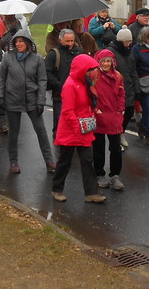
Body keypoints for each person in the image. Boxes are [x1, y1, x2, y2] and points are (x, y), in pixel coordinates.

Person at [0, 29, 55, 175]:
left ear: (28, 43)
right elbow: (1, 77)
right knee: (13, 133)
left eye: (21, 41)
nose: (19, 44)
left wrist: (41, 101)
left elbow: (42, 80)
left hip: (32, 99)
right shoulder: (8, 57)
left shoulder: (37, 59)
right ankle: (14, 162)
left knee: (41, 131)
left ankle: (49, 161)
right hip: (12, 99)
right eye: (16, 41)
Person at [51, 53, 105, 204]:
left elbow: (86, 104)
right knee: (64, 161)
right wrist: (78, 127)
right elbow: (67, 112)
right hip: (71, 130)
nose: (92, 73)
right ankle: (57, 189)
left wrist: (92, 113)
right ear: (82, 69)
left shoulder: (85, 83)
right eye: (90, 70)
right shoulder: (69, 85)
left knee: (88, 160)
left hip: (83, 129)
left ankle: (92, 193)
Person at [92, 48, 126, 190]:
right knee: (98, 147)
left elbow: (121, 94)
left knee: (115, 148)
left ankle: (115, 175)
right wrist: (96, 110)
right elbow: (90, 94)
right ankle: (99, 173)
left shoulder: (118, 76)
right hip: (99, 116)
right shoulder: (94, 75)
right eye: (103, 61)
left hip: (114, 116)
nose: (106, 64)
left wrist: (120, 109)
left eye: (108, 61)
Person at [46, 28, 82, 138]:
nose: (70, 44)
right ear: (60, 40)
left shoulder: (79, 52)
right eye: (67, 41)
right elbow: (47, 72)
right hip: (59, 94)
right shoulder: (54, 54)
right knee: (59, 120)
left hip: (76, 93)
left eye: (72, 41)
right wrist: (59, 85)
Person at [110, 28, 139, 146]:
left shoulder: (128, 52)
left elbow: (133, 71)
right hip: (116, 90)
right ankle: (116, 139)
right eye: (127, 42)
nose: (129, 44)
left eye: (130, 42)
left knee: (129, 112)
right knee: (116, 116)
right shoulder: (111, 52)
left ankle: (121, 132)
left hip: (129, 88)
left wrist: (137, 89)